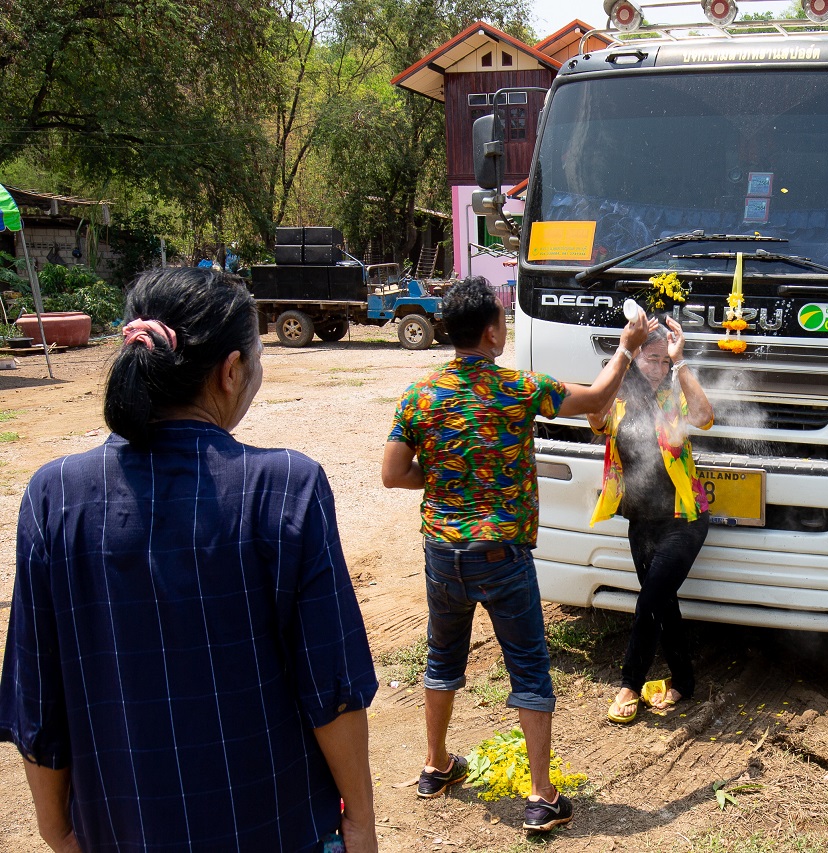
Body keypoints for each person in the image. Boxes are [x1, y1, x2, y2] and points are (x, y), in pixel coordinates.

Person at [0, 268, 380, 853]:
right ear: (230, 372)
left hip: (122, 831)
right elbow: (331, 686)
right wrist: (358, 822)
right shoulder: (284, 487)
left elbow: (37, 700)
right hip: (272, 826)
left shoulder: (53, 496)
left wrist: (58, 832)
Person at [381, 277, 653, 832]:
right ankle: (542, 796)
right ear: (490, 332)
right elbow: (599, 400)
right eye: (502, 320)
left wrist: (444, 477)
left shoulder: (419, 394)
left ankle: (434, 766)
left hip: (443, 553)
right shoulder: (519, 388)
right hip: (502, 553)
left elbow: (392, 474)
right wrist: (627, 345)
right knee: (529, 670)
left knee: (441, 659)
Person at [587, 319, 714, 724]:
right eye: (652, 359)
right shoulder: (618, 400)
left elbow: (705, 416)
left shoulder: (673, 396)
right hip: (640, 520)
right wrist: (623, 355)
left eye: (664, 360)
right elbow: (593, 415)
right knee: (663, 603)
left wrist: (680, 362)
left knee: (649, 600)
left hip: (685, 518)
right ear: (635, 358)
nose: (658, 368)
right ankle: (684, 681)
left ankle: (629, 682)